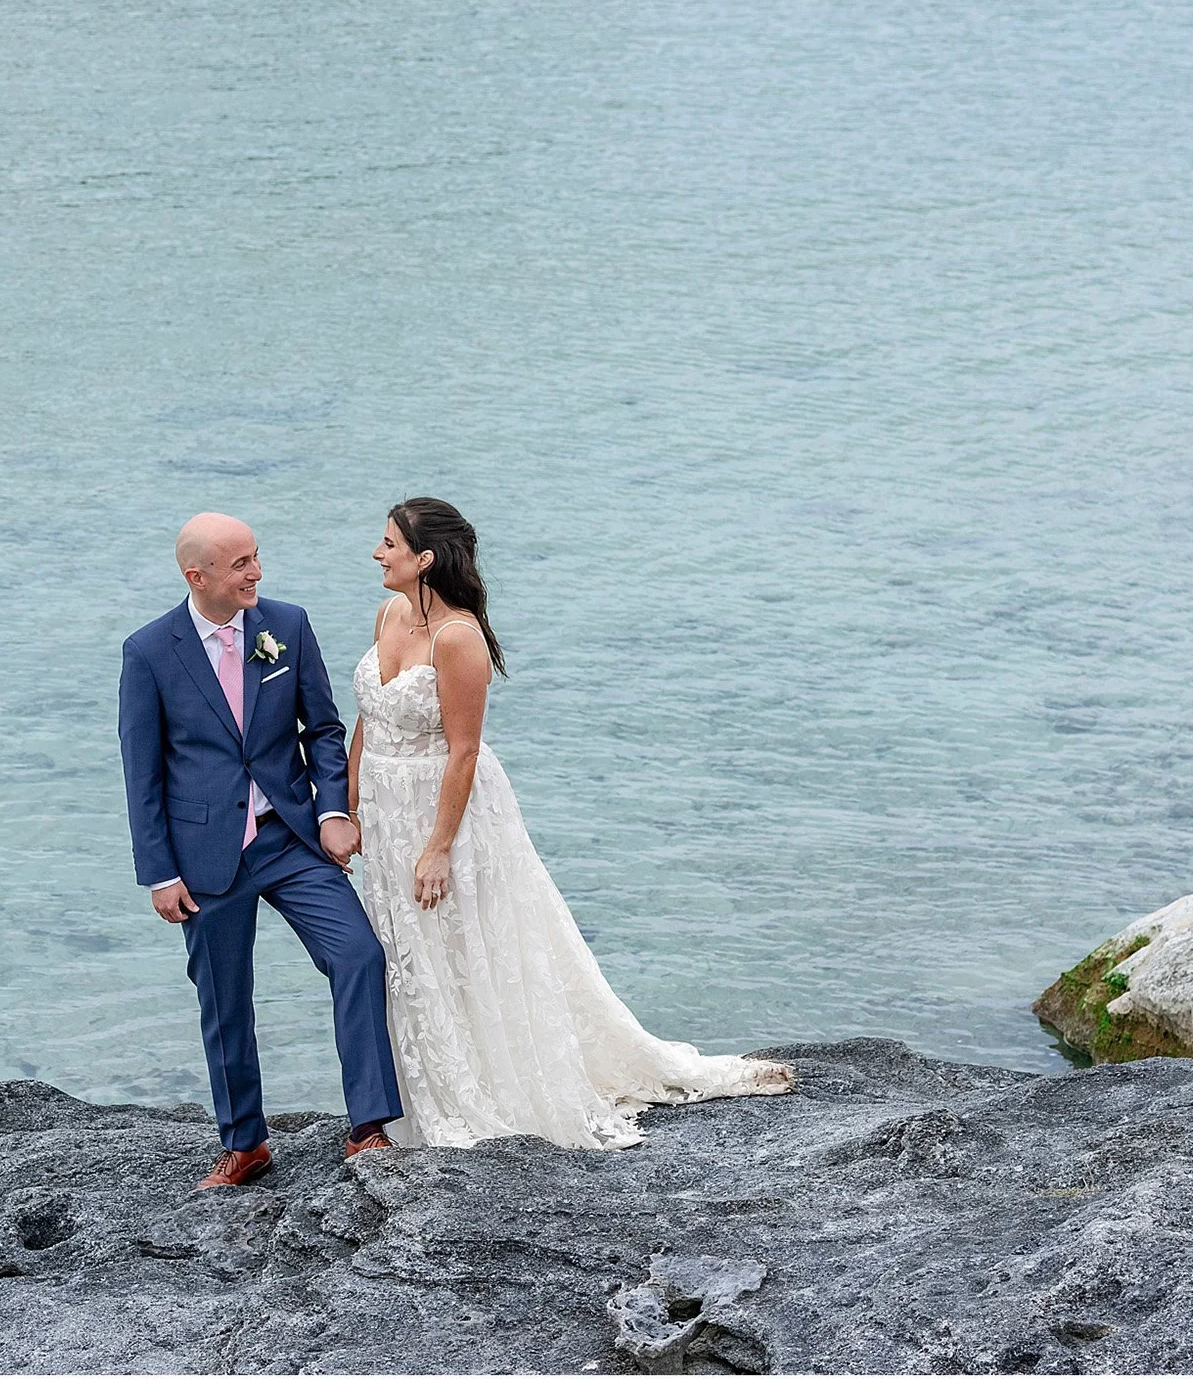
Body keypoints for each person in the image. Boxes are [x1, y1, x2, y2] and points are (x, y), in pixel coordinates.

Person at [348, 497, 794, 1149]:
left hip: (442, 813)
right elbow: (370, 717)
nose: (377, 553)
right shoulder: (389, 612)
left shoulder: (459, 638)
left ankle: (481, 1086)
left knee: (461, 945)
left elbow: (465, 749)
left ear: (425, 558)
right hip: (386, 817)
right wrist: (349, 802)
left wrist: (439, 847)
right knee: (409, 952)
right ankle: (416, 1088)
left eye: (389, 543)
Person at [118, 512, 403, 1187]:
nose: (257, 572)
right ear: (199, 576)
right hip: (204, 856)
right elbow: (143, 771)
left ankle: (368, 1126)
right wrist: (159, 872)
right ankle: (245, 1142)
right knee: (225, 997)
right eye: (241, 563)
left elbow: (324, 728)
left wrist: (334, 810)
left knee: (358, 954)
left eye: (256, 557)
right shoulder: (149, 651)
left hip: (290, 835)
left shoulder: (287, 624)